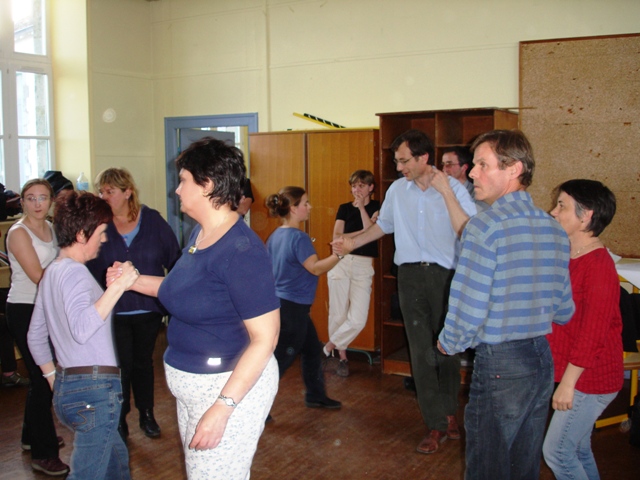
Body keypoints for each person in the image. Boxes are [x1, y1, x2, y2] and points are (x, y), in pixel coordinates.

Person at [118, 137, 279, 480]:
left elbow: (265, 338)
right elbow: (182, 291)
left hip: (227, 389)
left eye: (184, 180)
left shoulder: (242, 251)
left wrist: (223, 407)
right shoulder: (200, 234)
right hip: (194, 386)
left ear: (206, 185)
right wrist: (130, 280)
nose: (177, 190)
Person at [437, 129, 575, 480]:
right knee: (522, 467)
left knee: (487, 468)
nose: (471, 173)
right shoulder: (553, 229)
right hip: (541, 360)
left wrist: (448, 342)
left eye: (483, 164)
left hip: (501, 363)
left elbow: (469, 305)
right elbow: (563, 309)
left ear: (514, 169)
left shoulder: (484, 227)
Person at [333, 129, 477, 454]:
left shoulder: (452, 188)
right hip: (409, 276)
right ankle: (436, 424)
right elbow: (384, 226)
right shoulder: (398, 190)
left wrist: (447, 193)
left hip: (447, 277)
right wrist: (352, 242)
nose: (399, 168)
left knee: (448, 348)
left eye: (403, 161)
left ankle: (450, 411)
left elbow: (471, 229)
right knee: (421, 351)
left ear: (423, 158)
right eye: (397, 161)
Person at [27, 190, 139, 480]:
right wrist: (118, 287)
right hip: (95, 392)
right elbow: (81, 329)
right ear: (80, 234)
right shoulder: (74, 273)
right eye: (100, 233)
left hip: (74, 387)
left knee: (116, 463)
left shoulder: (53, 271)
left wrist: (56, 381)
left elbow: (35, 337)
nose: (103, 239)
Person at [87, 168, 181, 440]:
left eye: (110, 192)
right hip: (113, 311)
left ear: (127, 192)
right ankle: (120, 418)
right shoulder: (99, 225)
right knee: (122, 366)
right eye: (101, 192)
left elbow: (174, 261)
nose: (104, 197)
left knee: (143, 363)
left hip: (148, 309)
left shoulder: (152, 221)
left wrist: (175, 300)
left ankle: (147, 414)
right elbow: (90, 269)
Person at [543, 179, 622, 479]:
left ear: (586, 216)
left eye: (562, 206)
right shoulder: (569, 255)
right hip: (577, 376)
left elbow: (593, 334)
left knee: (558, 452)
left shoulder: (599, 265)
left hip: (590, 379)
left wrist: (568, 384)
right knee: (576, 448)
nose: (553, 211)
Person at [266, 186, 353, 410]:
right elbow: (314, 268)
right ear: (294, 209)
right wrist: (340, 254)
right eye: (305, 203)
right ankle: (255, 408)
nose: (309, 207)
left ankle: (315, 395)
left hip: (285, 306)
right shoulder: (298, 237)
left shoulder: (276, 235)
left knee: (313, 350)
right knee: (278, 362)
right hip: (292, 309)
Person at [5, 179, 67, 476]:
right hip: (25, 309)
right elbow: (40, 276)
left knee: (40, 376)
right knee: (45, 378)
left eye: (43, 198)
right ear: (22, 202)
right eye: (31, 198)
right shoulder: (18, 233)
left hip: (46, 307)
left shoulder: (53, 227)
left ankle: (32, 436)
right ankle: (43, 454)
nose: (37, 203)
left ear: (51, 200)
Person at [323, 170, 380, 377]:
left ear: (370, 188)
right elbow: (337, 236)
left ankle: (329, 345)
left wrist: (364, 212)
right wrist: (364, 232)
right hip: (341, 261)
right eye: (354, 186)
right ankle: (342, 358)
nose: (357, 190)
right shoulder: (344, 208)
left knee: (358, 318)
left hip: (364, 264)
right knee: (338, 312)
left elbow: (372, 234)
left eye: (362, 186)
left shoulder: (377, 207)